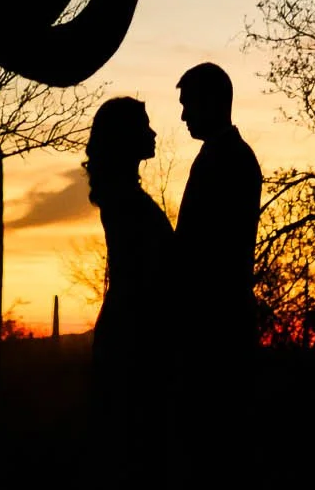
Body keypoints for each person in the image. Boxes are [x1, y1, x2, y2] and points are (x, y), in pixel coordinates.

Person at [85, 96, 173, 422]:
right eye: (144, 126)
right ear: (125, 135)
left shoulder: (122, 195)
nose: (153, 133)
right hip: (133, 340)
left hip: (131, 334)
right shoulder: (125, 200)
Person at [174, 62, 261, 361]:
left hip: (217, 325)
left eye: (189, 105)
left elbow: (207, 246)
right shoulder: (221, 153)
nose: (183, 116)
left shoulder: (229, 157)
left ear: (210, 102)